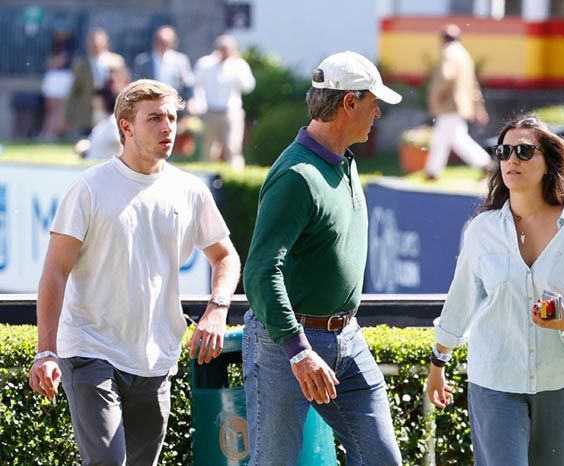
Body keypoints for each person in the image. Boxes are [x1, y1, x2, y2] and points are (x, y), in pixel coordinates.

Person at [28, 79, 240, 466]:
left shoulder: (190, 190)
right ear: (126, 126)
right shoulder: (88, 188)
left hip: (155, 360)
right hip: (90, 351)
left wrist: (218, 308)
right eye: (155, 118)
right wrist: (46, 351)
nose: (168, 128)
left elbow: (225, 256)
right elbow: (55, 272)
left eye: (173, 118)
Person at [242, 51, 403, 466]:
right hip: (286, 344)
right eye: (373, 101)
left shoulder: (343, 160)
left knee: (383, 460)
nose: (379, 112)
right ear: (349, 103)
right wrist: (297, 350)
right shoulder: (297, 175)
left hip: (347, 337)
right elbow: (261, 271)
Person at [425, 115, 564, 466]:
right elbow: (461, 299)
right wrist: (439, 360)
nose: (512, 159)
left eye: (525, 151)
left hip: (562, 379)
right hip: (494, 379)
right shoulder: (482, 230)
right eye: (504, 151)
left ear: (549, 163)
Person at [425, 23, 492, 180]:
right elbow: (473, 85)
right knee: (445, 138)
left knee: (453, 139)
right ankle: (432, 171)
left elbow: (445, 76)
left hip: (449, 103)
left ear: (443, 39)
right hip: (461, 104)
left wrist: (436, 96)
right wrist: (478, 107)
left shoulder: (448, 53)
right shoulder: (465, 55)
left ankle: (485, 164)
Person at [192, 34, 255, 169]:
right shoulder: (206, 63)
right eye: (222, 49)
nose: (225, 52)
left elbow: (248, 86)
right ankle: (207, 179)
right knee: (209, 149)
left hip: (232, 112)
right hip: (210, 112)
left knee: (233, 148)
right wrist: (198, 105)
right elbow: (197, 86)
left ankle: (236, 178)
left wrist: (235, 69)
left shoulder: (239, 64)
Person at [64, 28, 125, 136]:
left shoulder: (116, 61)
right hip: (89, 111)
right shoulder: (81, 65)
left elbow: (123, 84)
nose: (95, 47)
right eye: (92, 44)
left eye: (97, 44)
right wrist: (67, 116)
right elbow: (74, 91)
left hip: (110, 108)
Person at [132, 25, 195, 101]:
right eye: (160, 42)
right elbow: (136, 83)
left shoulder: (181, 60)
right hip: (151, 103)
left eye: (165, 43)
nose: (162, 45)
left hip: (174, 103)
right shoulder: (142, 61)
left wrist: (190, 100)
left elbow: (188, 82)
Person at [39, 26, 74, 141]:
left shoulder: (67, 47)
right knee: (50, 109)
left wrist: (52, 63)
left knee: (59, 109)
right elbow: (49, 62)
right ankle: (47, 132)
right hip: (53, 77)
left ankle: (53, 134)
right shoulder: (54, 46)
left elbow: (58, 62)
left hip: (62, 78)